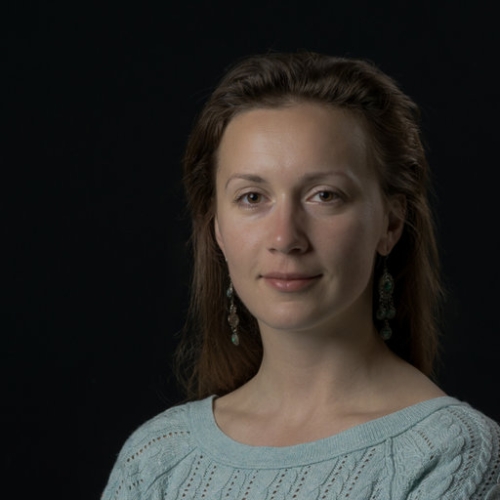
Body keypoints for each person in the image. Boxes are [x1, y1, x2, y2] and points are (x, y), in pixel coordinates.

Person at [102, 51, 500, 499]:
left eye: (324, 195)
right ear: (217, 229)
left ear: (391, 223)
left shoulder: (452, 455)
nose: (285, 237)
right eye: (252, 197)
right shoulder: (158, 459)